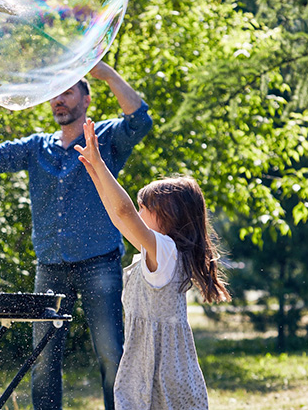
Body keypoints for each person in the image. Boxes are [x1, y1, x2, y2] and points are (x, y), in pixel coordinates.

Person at [0, 62, 153, 410]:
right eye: (55, 94)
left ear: (86, 100)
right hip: (50, 267)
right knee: (43, 361)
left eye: (68, 92)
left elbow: (140, 121)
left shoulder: (104, 138)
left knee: (112, 354)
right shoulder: (37, 146)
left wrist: (108, 74)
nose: (59, 99)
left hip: (100, 263)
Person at [75, 118, 230, 409]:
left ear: (168, 216)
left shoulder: (166, 251)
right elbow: (118, 217)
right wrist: (95, 172)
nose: (138, 213)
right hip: (149, 364)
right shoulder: (158, 253)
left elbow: (124, 212)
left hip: (161, 371)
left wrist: (102, 164)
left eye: (143, 208)